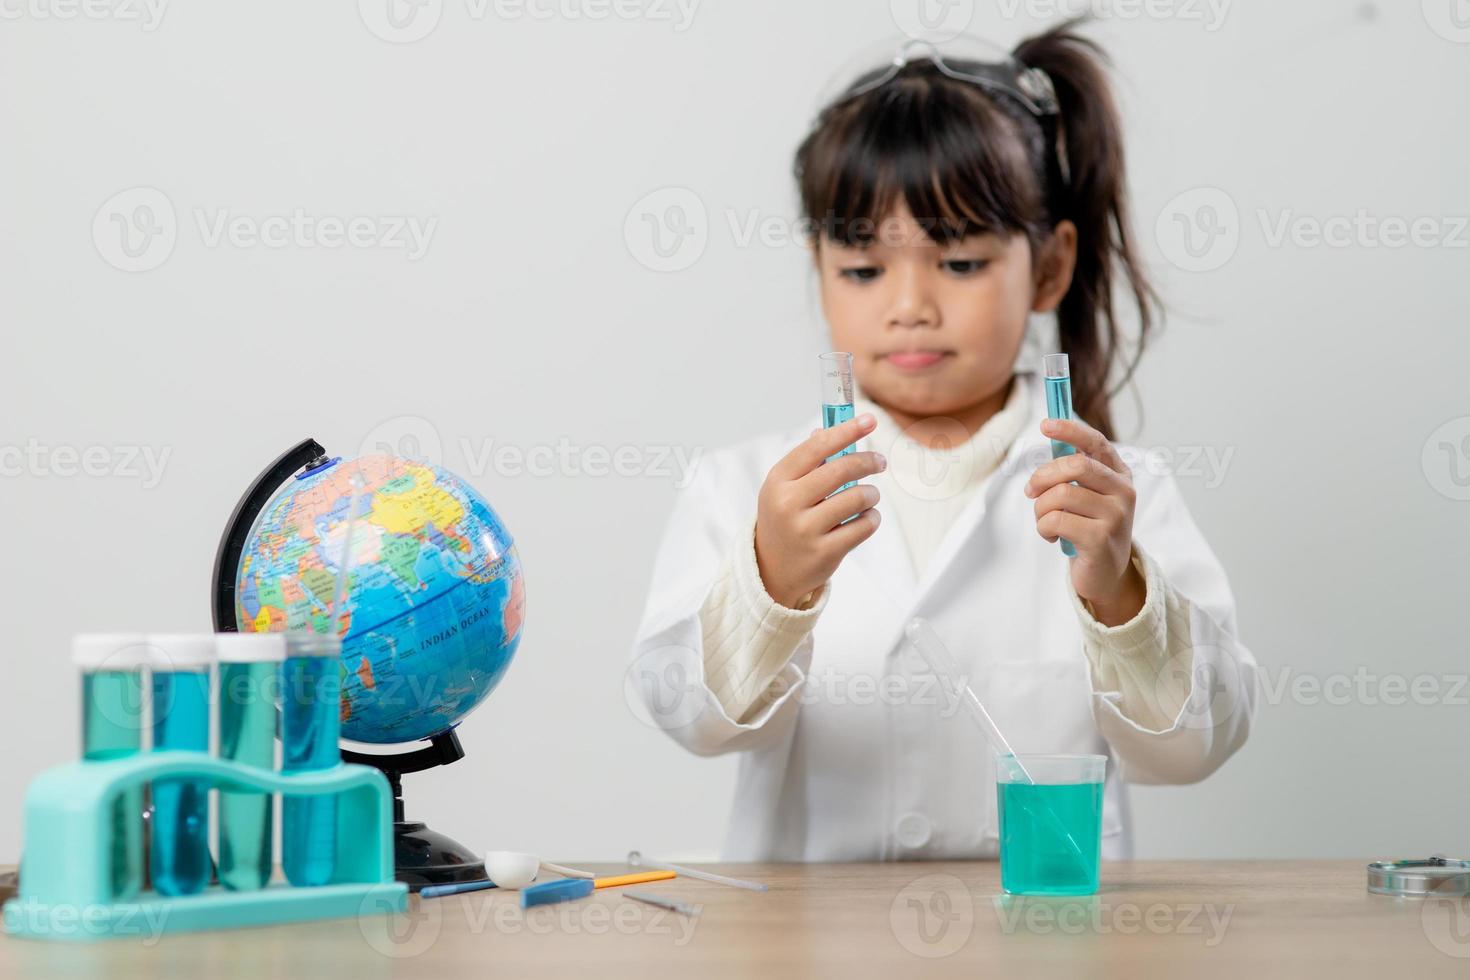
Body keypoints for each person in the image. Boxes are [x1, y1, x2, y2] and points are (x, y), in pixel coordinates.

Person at [630, 22, 1258, 861]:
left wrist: (1119, 595)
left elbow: (1193, 749)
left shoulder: (1118, 496)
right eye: (864, 270)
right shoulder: (741, 486)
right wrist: (771, 581)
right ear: (818, 269)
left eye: (959, 262)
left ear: (1048, 267)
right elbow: (688, 719)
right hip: (817, 948)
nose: (910, 305)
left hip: (1046, 939)